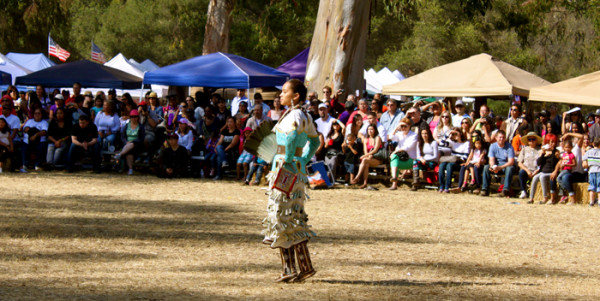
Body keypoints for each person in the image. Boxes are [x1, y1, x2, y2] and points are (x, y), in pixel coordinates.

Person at [262, 79, 320, 283]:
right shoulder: (303, 114)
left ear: (296, 96)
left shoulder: (294, 115)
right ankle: (298, 268)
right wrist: (302, 158)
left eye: (285, 91)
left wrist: (286, 160)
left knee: (281, 215)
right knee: (292, 215)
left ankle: (295, 268)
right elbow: (315, 141)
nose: (281, 95)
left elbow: (289, 139)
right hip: (295, 169)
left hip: (285, 169)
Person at [481, 130, 515, 197]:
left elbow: (511, 162)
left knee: (510, 168)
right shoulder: (493, 146)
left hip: (505, 165)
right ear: (496, 138)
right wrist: (492, 166)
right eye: (500, 137)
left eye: (503, 137)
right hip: (496, 164)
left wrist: (500, 167)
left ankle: (505, 190)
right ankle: (485, 189)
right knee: (486, 167)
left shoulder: (509, 147)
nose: (501, 139)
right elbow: (491, 159)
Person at [527, 134, 560, 204]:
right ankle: (531, 198)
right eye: (550, 142)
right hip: (543, 171)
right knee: (535, 178)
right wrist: (543, 154)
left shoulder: (556, 152)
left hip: (551, 171)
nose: (552, 144)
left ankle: (545, 197)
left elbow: (554, 163)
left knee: (542, 177)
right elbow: (538, 163)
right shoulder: (543, 152)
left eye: (554, 142)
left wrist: (552, 152)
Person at [351, 124, 384, 189]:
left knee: (364, 160)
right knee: (365, 163)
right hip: (369, 158)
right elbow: (365, 150)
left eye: (371, 129)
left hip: (377, 158)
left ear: (375, 130)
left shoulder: (377, 138)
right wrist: (367, 156)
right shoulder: (366, 139)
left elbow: (375, 149)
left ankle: (357, 177)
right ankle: (365, 183)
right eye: (369, 129)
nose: (370, 131)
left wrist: (366, 156)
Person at [388, 118, 418, 190]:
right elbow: (391, 137)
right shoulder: (399, 134)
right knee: (394, 159)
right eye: (402, 126)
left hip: (411, 159)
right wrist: (396, 128)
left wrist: (395, 151)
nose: (403, 128)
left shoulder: (414, 135)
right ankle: (394, 180)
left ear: (409, 126)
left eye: (405, 126)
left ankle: (394, 180)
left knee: (394, 156)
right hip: (401, 158)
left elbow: (407, 147)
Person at [438, 128, 470, 193]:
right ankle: (441, 185)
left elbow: (466, 156)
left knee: (449, 166)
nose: (455, 136)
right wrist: (448, 134)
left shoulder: (466, 143)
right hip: (451, 160)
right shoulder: (452, 143)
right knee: (441, 165)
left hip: (459, 162)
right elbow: (441, 143)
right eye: (453, 134)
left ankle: (447, 186)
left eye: (456, 134)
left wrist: (459, 137)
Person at [115, 109, 145, 175]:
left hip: (137, 145)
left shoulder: (141, 127)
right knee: (129, 152)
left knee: (132, 145)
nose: (134, 118)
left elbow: (141, 138)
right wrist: (126, 142)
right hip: (126, 144)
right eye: (132, 117)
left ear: (138, 117)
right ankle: (130, 169)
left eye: (135, 116)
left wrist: (133, 141)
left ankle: (120, 154)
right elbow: (122, 136)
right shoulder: (126, 126)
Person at [20, 108, 48, 172]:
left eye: (39, 113)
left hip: (40, 141)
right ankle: (25, 165)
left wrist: (36, 135)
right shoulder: (30, 121)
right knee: (24, 146)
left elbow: (44, 132)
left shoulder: (44, 122)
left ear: (41, 114)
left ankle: (37, 165)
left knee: (41, 146)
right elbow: (25, 129)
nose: (37, 115)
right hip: (28, 140)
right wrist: (30, 130)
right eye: (35, 113)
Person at [517, 132, 542, 199]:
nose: (531, 141)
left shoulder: (540, 150)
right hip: (526, 170)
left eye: (533, 139)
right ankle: (523, 191)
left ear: (536, 140)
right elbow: (519, 163)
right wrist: (527, 170)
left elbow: (542, 163)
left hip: (536, 170)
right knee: (521, 173)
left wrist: (536, 171)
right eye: (529, 139)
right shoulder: (524, 150)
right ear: (527, 141)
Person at [556, 140, 577, 204]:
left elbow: (575, 164)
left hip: (568, 170)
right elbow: (561, 162)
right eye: (566, 147)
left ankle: (565, 190)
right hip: (563, 169)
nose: (567, 149)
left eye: (569, 147)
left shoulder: (572, 155)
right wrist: (561, 165)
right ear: (564, 148)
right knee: (560, 178)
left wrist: (566, 165)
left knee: (558, 178)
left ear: (571, 148)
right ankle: (564, 193)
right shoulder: (564, 155)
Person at [583, 138, 600, 206]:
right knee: (599, 187)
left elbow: (584, 162)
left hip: (591, 171)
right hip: (599, 171)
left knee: (592, 187)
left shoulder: (588, 152)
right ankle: (599, 202)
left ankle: (591, 202)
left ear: (593, 144)